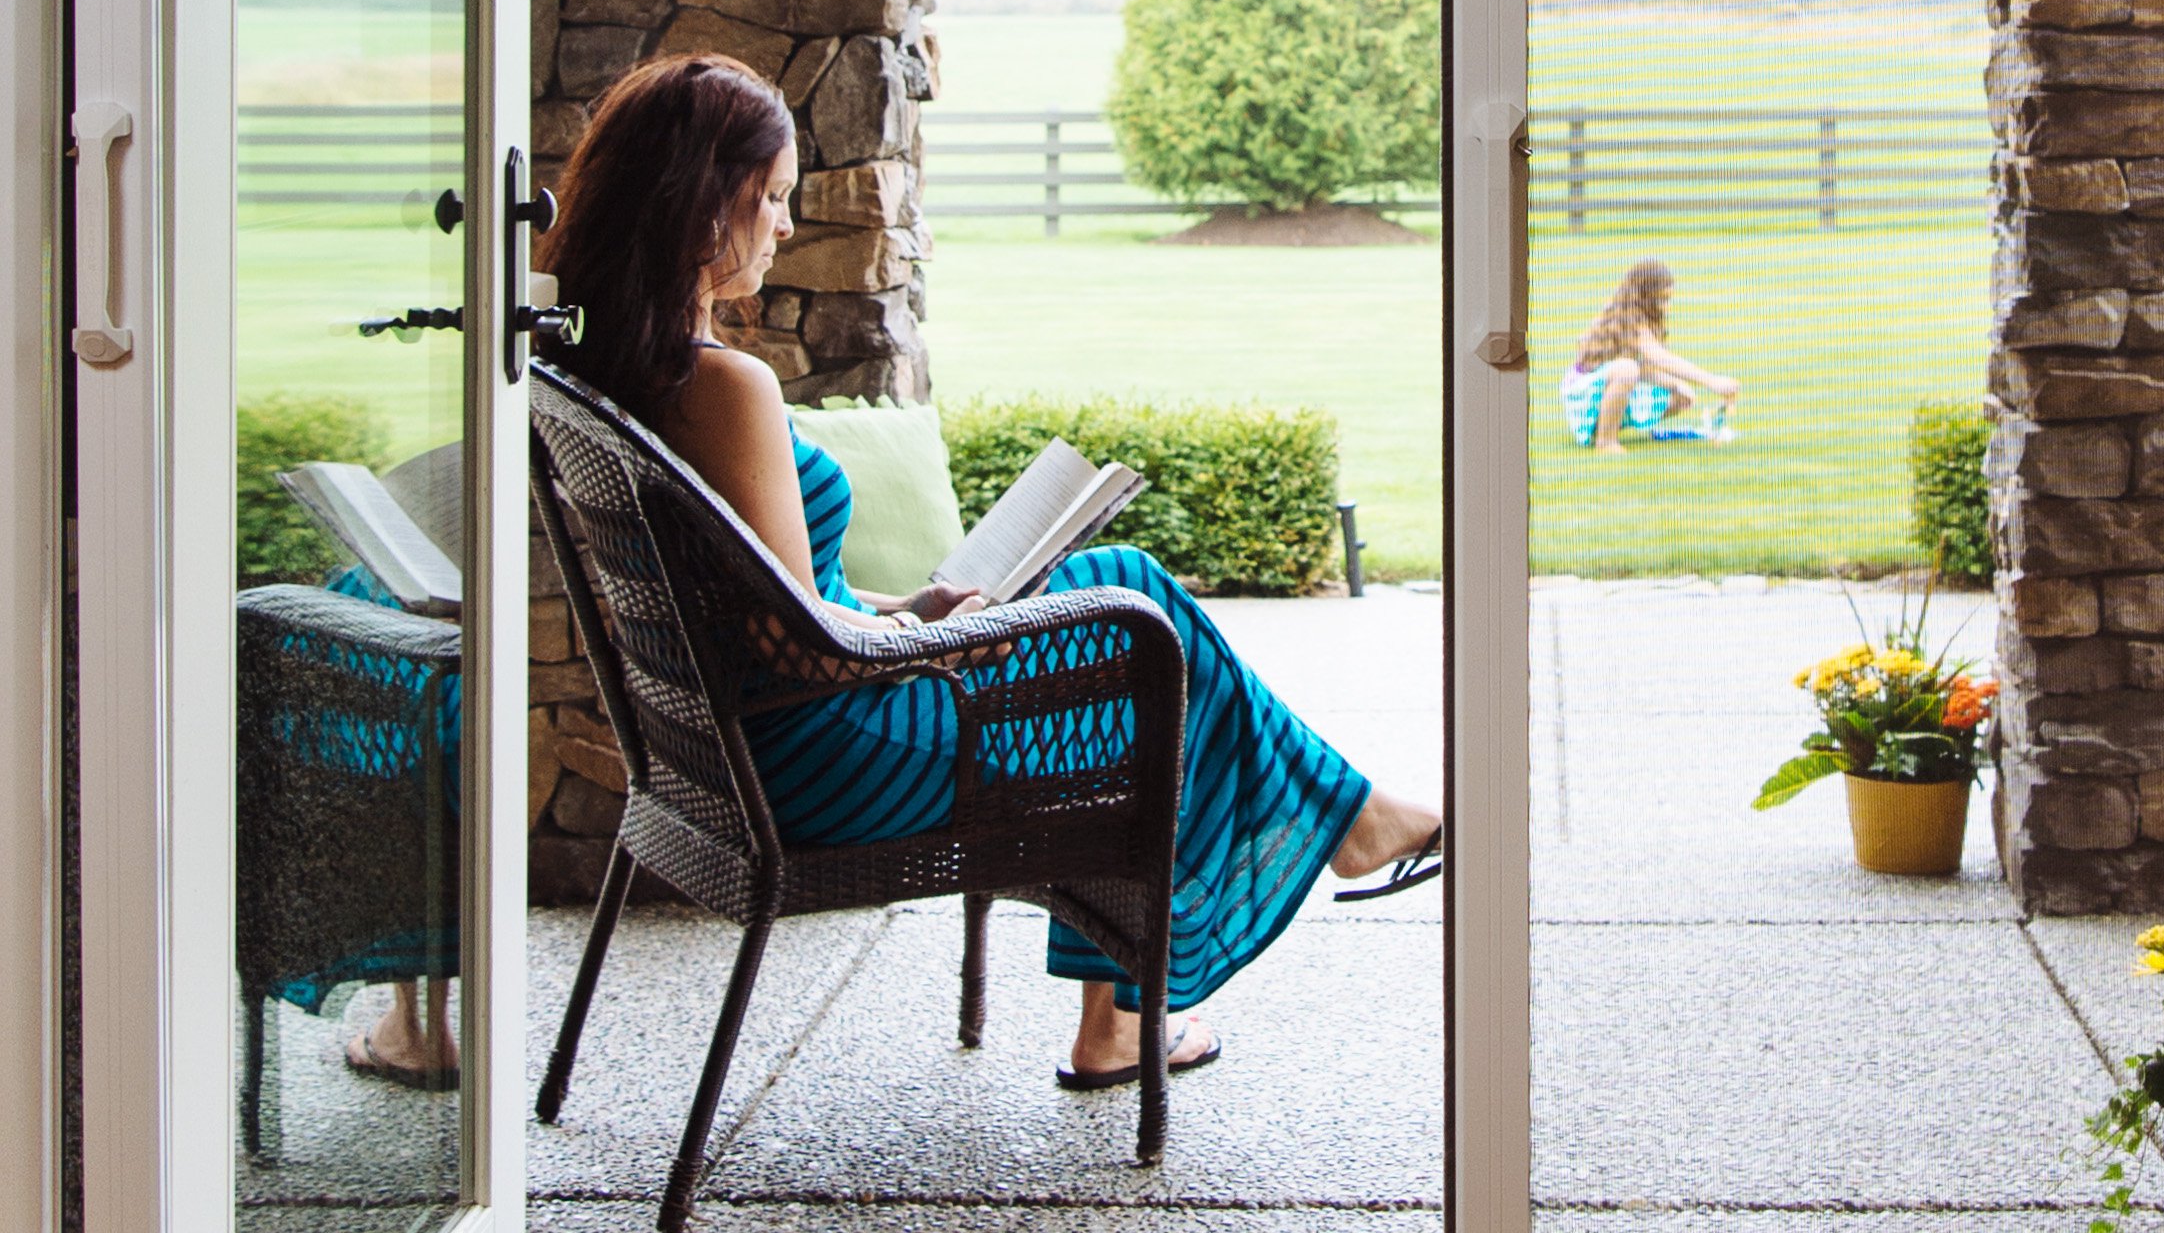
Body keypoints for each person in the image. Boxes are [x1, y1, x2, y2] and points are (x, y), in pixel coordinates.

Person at [546, 55, 1442, 1096]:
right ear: (705, 204)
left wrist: (912, 609)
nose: (785, 226)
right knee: (1140, 630)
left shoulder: (609, 373)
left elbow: (767, 604)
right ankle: (1312, 857)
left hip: (742, 750)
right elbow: (802, 649)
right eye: (775, 198)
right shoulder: (723, 387)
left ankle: (1280, 882)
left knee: (1128, 618)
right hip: (821, 758)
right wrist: (943, 645)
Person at [1558, 256, 1741, 455]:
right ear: (1644, 296)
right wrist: (1712, 381)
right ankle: (1606, 442)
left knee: (1678, 393)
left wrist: (1675, 385)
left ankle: (1607, 426)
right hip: (1581, 395)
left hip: (1604, 387)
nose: (1665, 306)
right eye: (1661, 299)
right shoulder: (1627, 318)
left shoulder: (1644, 319)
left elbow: (1645, 370)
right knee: (1627, 369)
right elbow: (1659, 358)